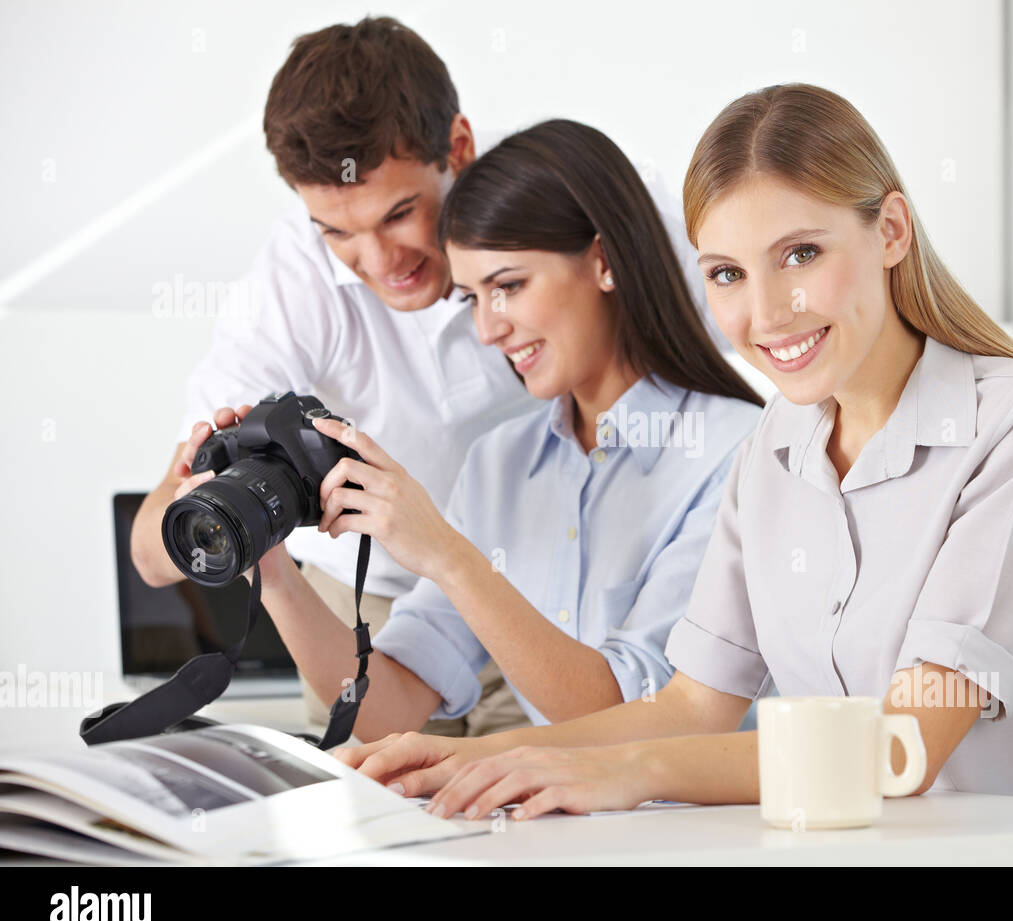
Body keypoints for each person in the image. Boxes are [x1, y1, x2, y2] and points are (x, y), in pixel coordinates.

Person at [332, 82, 1013, 814]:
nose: (767, 312)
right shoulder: (774, 448)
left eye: (801, 255)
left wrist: (633, 772)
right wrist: (455, 760)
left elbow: (904, 748)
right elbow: (688, 707)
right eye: (726, 273)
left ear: (889, 231)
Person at [130, 16, 723, 738]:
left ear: (458, 150)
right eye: (338, 234)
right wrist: (254, 546)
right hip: (387, 594)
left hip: (524, 585)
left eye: (400, 214)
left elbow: (625, 725)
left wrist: (442, 548)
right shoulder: (296, 298)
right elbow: (382, 706)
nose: (379, 260)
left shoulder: (720, 450)